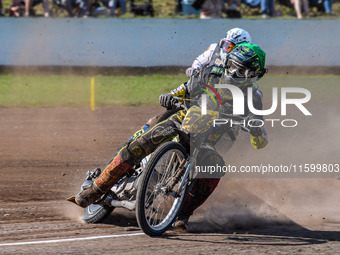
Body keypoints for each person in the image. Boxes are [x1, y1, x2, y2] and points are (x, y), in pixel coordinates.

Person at [72, 37, 269, 232]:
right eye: (233, 66)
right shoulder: (211, 73)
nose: (235, 73)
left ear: (254, 76)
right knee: (141, 143)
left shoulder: (254, 98)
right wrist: (170, 97)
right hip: (185, 121)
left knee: (215, 168)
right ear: (227, 62)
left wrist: (254, 129)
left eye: (242, 71)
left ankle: (182, 214)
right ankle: (96, 188)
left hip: (211, 142)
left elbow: (260, 140)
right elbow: (185, 89)